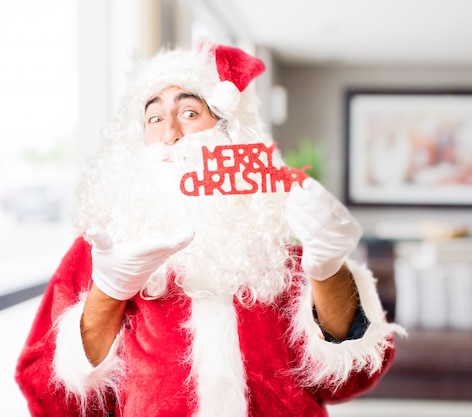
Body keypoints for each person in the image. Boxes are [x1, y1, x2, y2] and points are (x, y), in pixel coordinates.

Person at [15, 42, 403, 417]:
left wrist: (329, 268)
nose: (170, 134)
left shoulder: (282, 234)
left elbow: (351, 379)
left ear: (230, 132)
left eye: (188, 113)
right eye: (154, 118)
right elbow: (53, 402)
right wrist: (107, 294)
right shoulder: (101, 250)